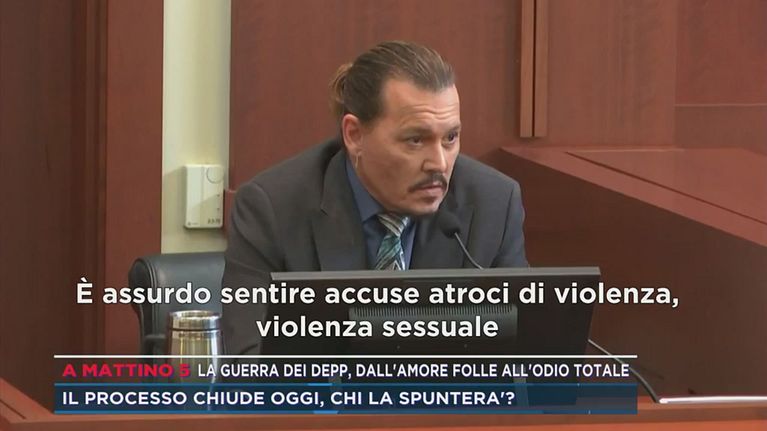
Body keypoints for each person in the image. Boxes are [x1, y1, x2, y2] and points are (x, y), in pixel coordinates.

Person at [222, 40, 527, 356]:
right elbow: (249, 361)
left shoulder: (494, 203)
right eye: (415, 140)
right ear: (354, 135)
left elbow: (526, 354)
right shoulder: (273, 208)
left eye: (450, 138)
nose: (439, 163)